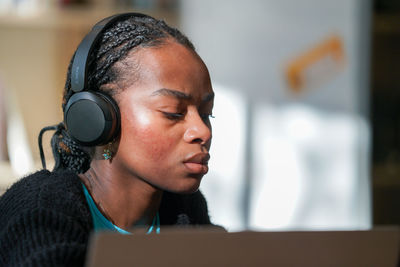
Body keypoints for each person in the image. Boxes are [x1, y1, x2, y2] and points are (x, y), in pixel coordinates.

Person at [0, 12, 215, 266]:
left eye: (206, 113)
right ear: (97, 117)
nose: (203, 131)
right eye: (174, 112)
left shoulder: (184, 209)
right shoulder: (37, 209)